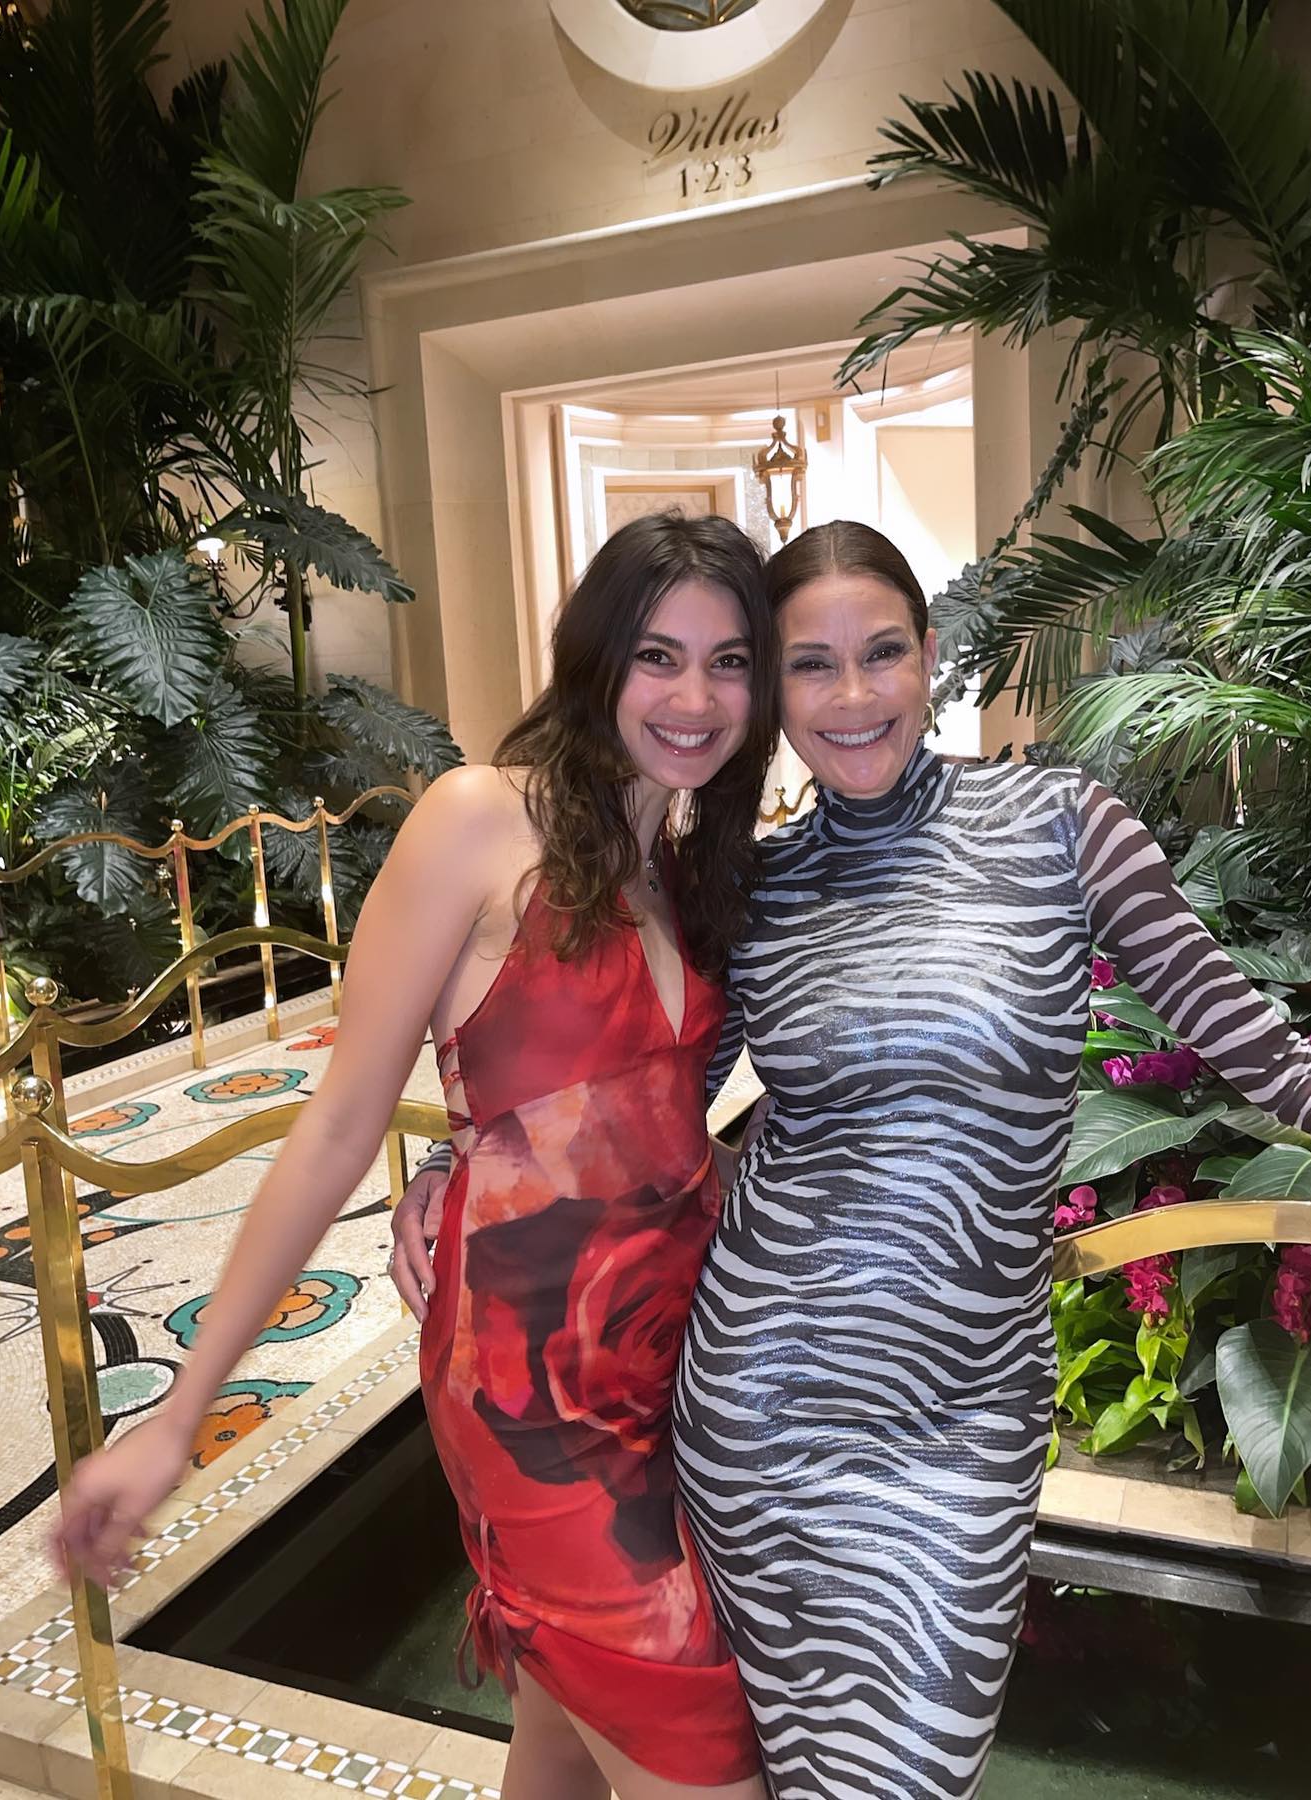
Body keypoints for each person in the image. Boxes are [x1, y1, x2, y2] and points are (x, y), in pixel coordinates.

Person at [397, 519, 1311, 1800]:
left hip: (964, 1418)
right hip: (761, 1408)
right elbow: (636, 1097)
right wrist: (465, 1161)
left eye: (883, 652)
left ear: (931, 654)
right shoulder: (753, 884)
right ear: (771, 695)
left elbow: (1255, 1043)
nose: (853, 696)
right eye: (810, 665)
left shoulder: (1063, 826)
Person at [54, 511, 779, 1800]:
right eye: (659, 656)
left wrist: (472, 1159)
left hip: (668, 1365)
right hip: (527, 1390)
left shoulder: (684, 864)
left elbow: (648, 1121)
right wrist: (179, 1417)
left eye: (729, 663)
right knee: (704, 1752)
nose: (695, 697)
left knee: (562, 1743)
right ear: (597, 659)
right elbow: (338, 1126)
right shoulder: (478, 819)